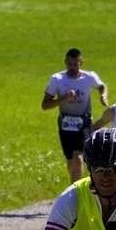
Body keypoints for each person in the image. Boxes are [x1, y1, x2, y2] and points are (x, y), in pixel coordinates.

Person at [42, 48, 108, 184]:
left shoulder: (89, 77)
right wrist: (63, 100)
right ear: (65, 62)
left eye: (75, 64)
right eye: (69, 64)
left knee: (78, 158)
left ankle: (75, 193)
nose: (72, 67)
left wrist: (103, 96)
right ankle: (77, 182)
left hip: (84, 123)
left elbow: (102, 86)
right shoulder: (57, 79)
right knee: (71, 161)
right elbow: (45, 105)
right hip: (66, 123)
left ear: (81, 63)